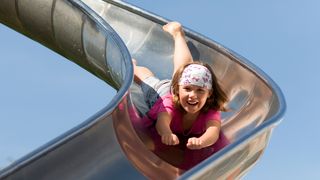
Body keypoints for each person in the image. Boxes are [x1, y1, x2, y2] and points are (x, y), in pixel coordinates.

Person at [133, 22, 229, 170]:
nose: (193, 96)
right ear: (178, 89)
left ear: (209, 94)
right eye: (188, 89)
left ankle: (178, 34)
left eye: (200, 91)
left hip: (179, 87)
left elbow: (213, 132)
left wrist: (202, 141)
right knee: (146, 81)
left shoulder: (210, 110)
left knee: (185, 68)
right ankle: (133, 66)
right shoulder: (168, 102)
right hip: (161, 94)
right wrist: (166, 133)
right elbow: (162, 121)